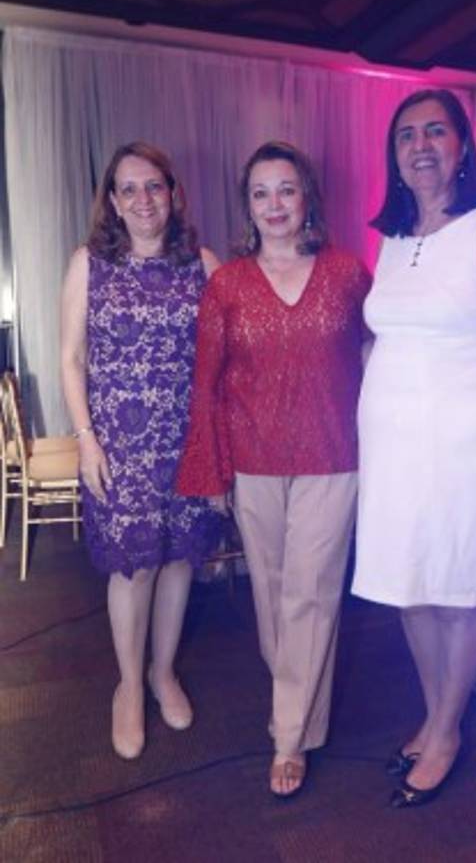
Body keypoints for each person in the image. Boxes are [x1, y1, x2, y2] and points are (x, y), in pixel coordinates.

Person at [351, 89, 476, 807]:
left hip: (467, 440)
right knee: (411, 587)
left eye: (435, 130)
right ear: (395, 157)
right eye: (406, 135)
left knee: (459, 589)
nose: (420, 144)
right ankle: (435, 712)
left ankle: (443, 730)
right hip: (393, 446)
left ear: (461, 147)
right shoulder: (394, 240)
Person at [177, 141, 371, 798]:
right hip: (251, 460)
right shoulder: (226, 282)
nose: (275, 204)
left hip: (331, 455)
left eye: (286, 189)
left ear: (306, 197)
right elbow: (205, 384)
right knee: (272, 593)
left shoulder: (347, 271)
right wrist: (211, 471)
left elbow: (376, 361)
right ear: (247, 207)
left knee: (311, 592)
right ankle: (303, 717)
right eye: (261, 193)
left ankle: (286, 738)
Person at [61, 142, 222, 760]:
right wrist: (85, 439)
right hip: (119, 447)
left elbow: (219, 359)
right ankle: (128, 686)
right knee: (134, 567)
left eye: (153, 185)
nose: (143, 199)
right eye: (128, 189)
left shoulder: (201, 264)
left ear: (173, 192)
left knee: (179, 559)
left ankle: (163, 672)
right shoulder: (89, 264)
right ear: (112, 201)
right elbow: (71, 359)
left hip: (186, 441)